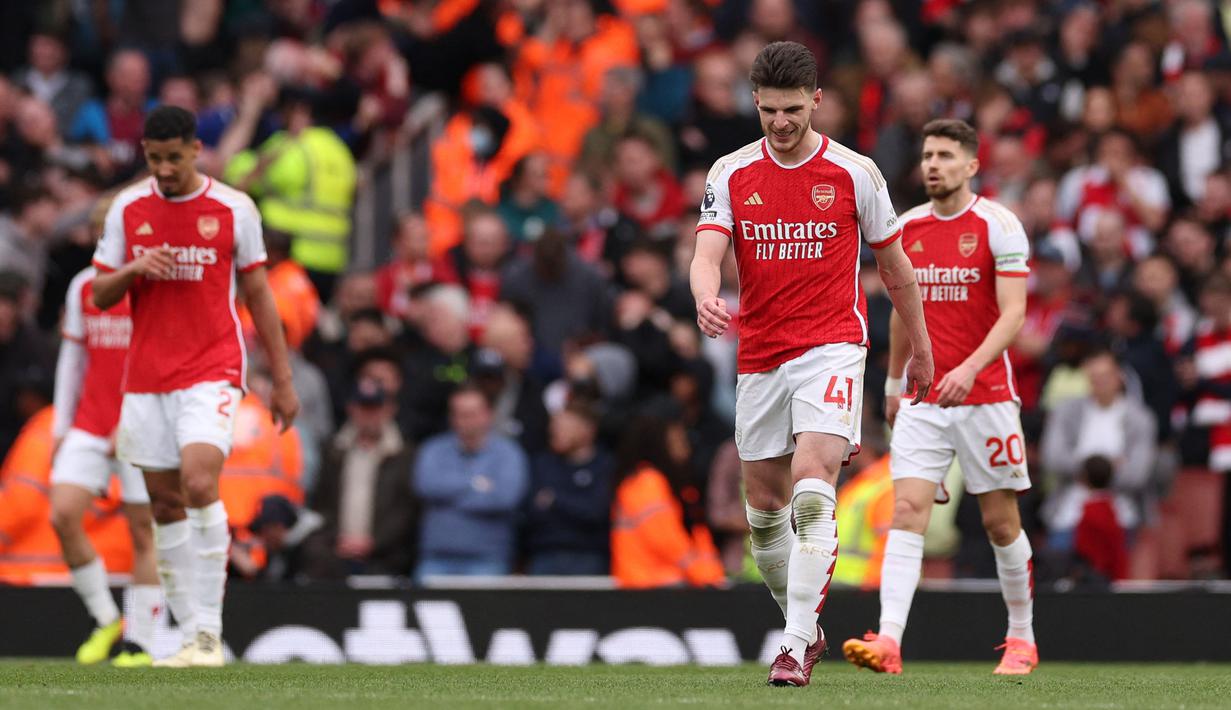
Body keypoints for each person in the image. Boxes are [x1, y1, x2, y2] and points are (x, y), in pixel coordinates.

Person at [690, 41, 933, 687]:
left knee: (811, 484)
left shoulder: (854, 172)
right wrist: (704, 296)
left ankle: (794, 645)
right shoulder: (731, 172)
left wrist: (920, 345)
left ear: (816, 101)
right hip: (759, 354)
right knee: (764, 512)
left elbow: (895, 267)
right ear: (755, 103)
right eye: (769, 110)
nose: (780, 122)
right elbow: (707, 252)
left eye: (792, 110)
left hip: (831, 345)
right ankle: (808, 627)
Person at [90, 105, 299, 668]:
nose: (164, 169)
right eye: (155, 158)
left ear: (195, 150)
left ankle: (208, 632)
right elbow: (101, 295)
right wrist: (135, 268)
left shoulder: (234, 208)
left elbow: (259, 295)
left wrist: (282, 380)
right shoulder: (128, 209)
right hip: (147, 377)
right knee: (163, 503)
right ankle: (189, 636)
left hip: (211, 369)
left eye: (174, 158)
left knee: (200, 482)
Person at [841, 119, 1037, 676]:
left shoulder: (998, 225)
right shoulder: (906, 227)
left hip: (986, 396)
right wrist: (892, 384)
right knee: (906, 511)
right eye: (928, 154)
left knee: (1000, 523)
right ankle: (889, 640)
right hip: (924, 399)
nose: (933, 164)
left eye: (946, 155)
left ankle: (1021, 637)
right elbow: (903, 314)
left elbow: (1014, 313)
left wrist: (970, 369)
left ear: (971, 165)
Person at [49, 262, 161, 667]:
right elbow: (72, 357)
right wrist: (61, 426)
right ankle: (106, 618)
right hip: (90, 424)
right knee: (62, 514)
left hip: (141, 423)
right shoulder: (83, 284)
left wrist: (131, 416)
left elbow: (161, 358)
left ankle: (140, 641)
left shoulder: (152, 283)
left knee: (143, 531)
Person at [413, 384, 528, 580]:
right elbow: (426, 486)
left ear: (488, 415)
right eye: (460, 414)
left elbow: (504, 498)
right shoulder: (433, 449)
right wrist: (475, 484)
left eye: (472, 414)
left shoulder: (508, 453)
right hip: (436, 558)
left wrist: (446, 499)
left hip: (488, 560)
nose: (466, 421)